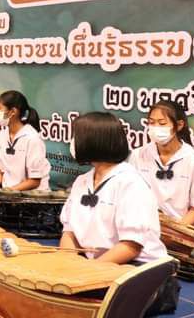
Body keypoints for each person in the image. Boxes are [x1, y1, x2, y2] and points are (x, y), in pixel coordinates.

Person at [59, 112, 176, 315]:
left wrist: (86, 273)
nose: (73, 142)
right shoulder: (81, 181)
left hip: (137, 270)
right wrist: (67, 265)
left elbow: (130, 246)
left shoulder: (131, 183)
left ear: (95, 140)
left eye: (76, 136)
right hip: (96, 267)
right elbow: (69, 231)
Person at [129, 100, 194, 227]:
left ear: (179, 125)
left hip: (182, 230)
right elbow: (131, 197)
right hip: (144, 228)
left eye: (162, 123)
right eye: (151, 122)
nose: (155, 127)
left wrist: (175, 232)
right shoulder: (138, 155)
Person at [0, 90, 50, 191]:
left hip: (31, 197)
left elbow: (34, 181)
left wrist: (9, 192)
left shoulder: (32, 138)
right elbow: (1, 171)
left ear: (13, 112)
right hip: (8, 194)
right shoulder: (1, 135)